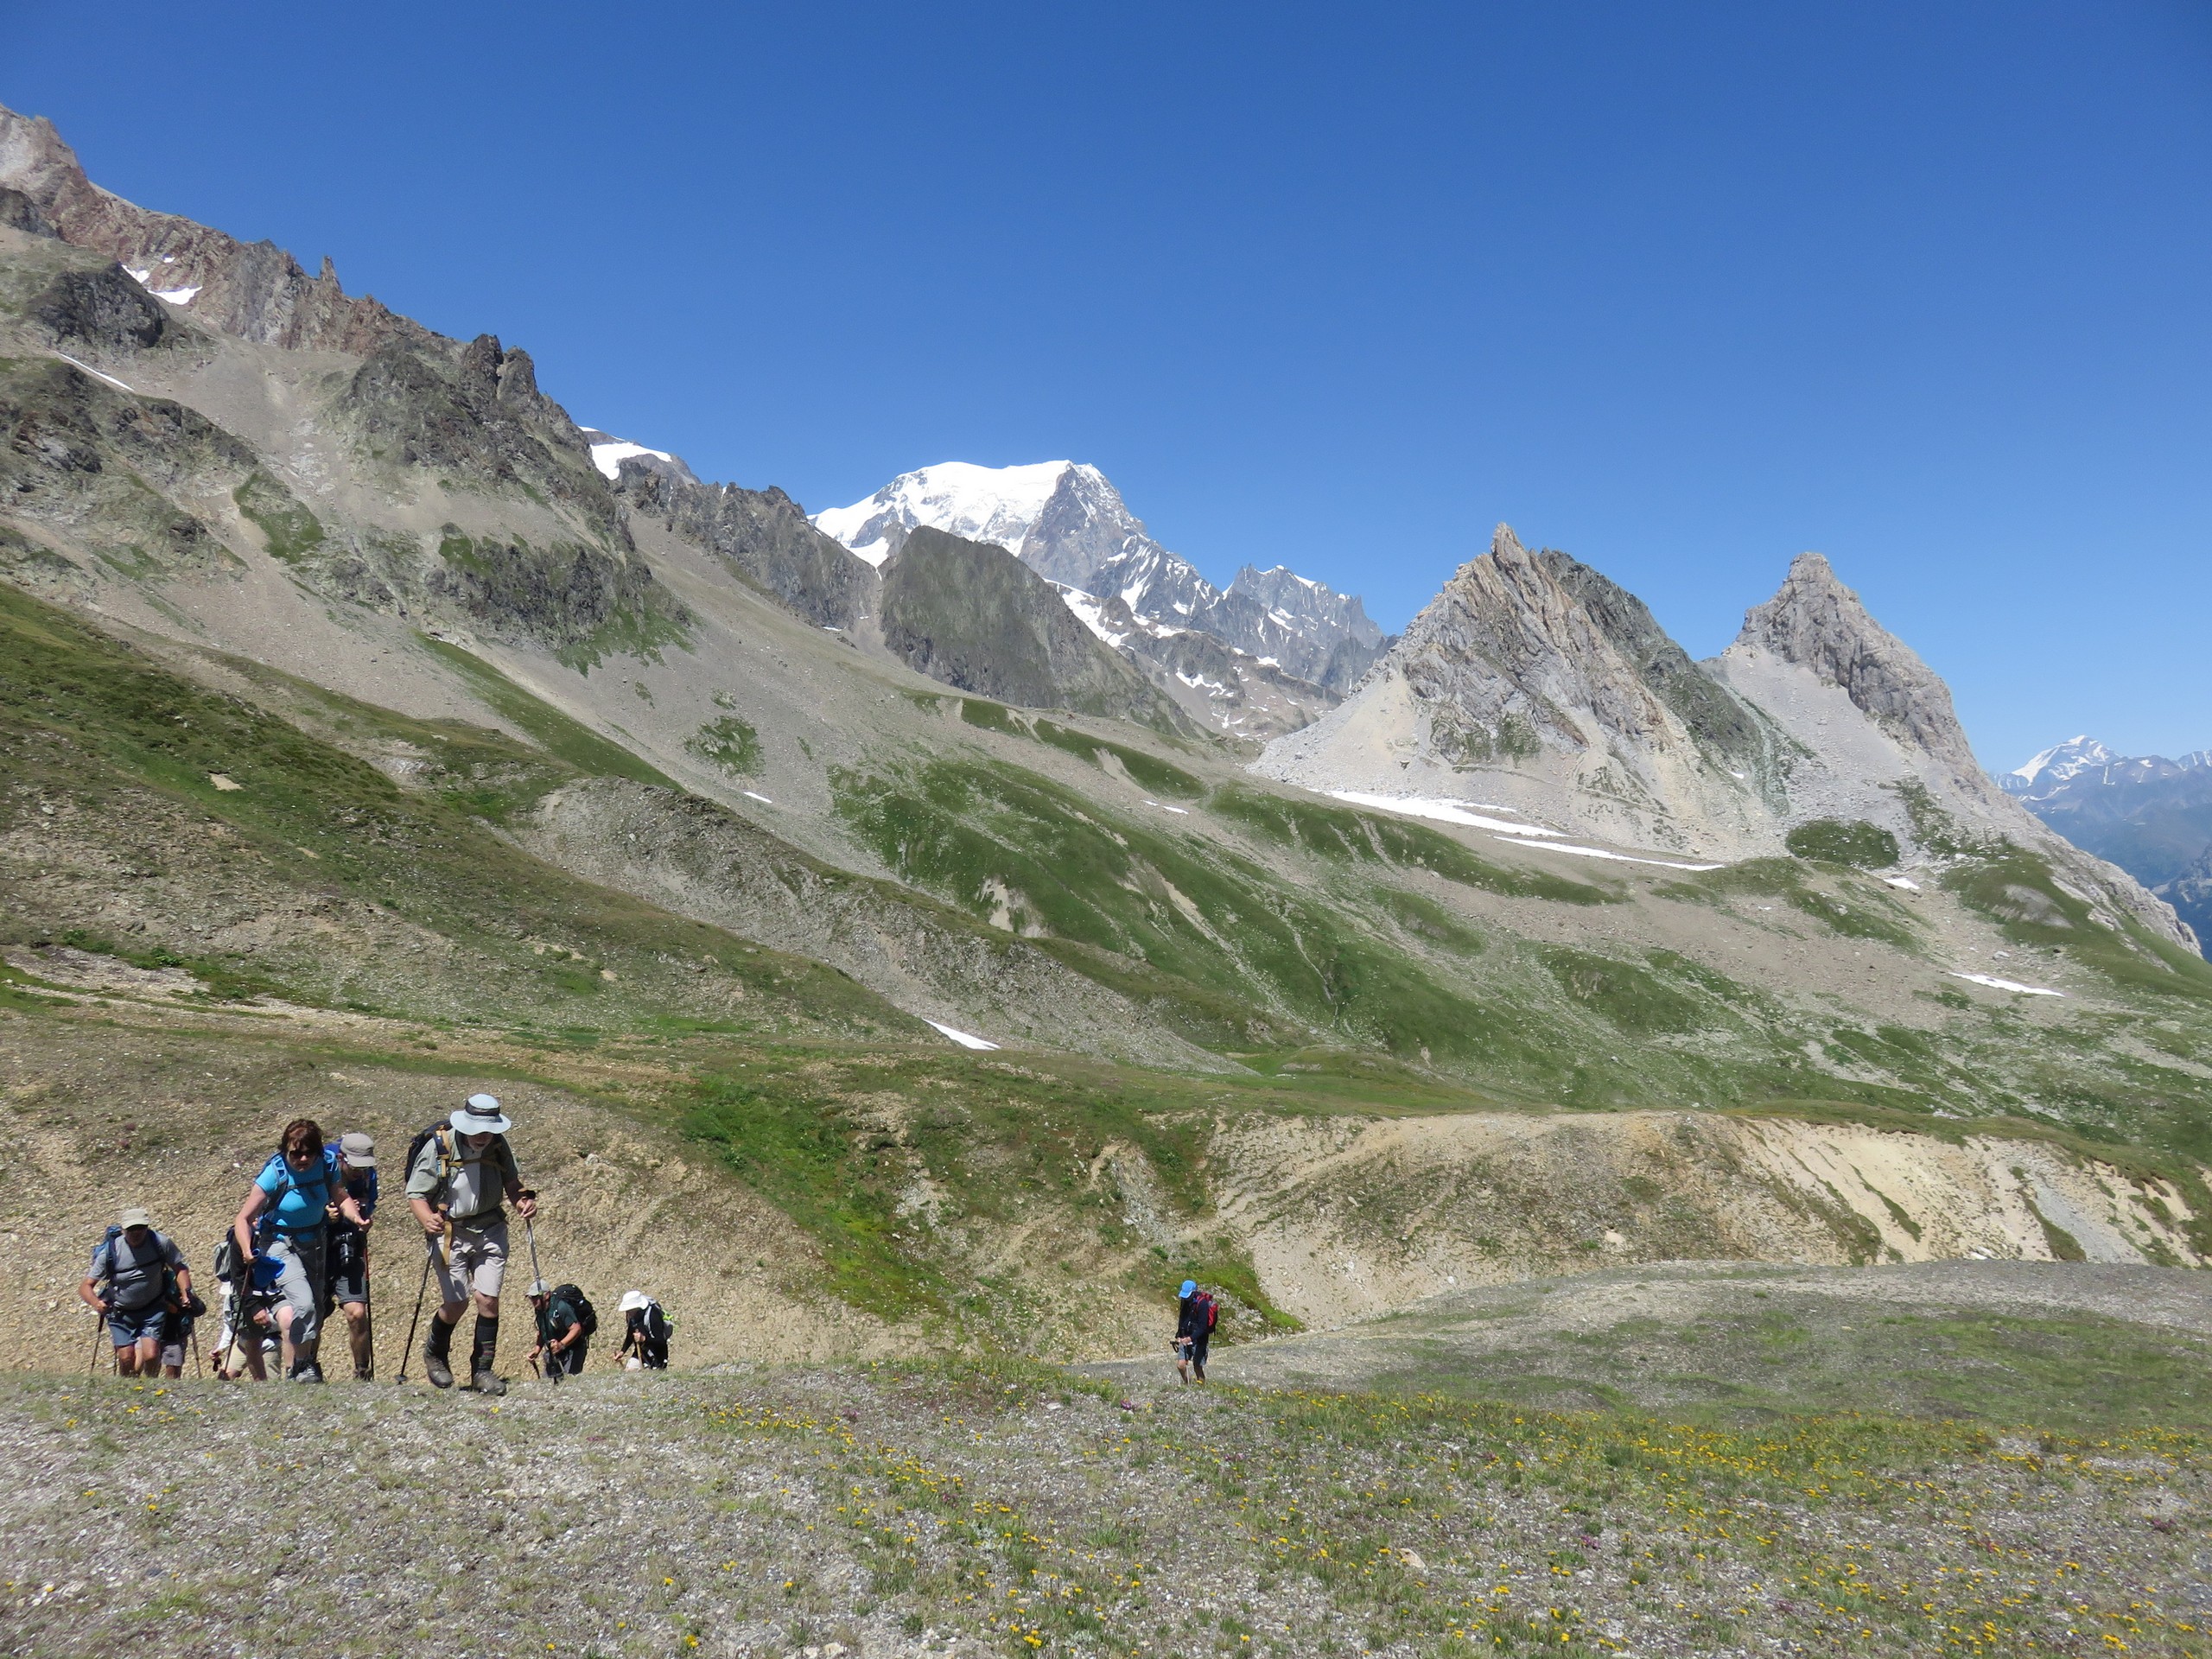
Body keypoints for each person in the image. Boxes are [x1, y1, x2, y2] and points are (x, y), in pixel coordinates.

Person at [406, 1093, 536, 1395]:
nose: (483, 1136)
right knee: (457, 1303)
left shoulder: (499, 1146)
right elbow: (416, 1194)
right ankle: (435, 1354)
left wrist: (522, 1203)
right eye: (478, 1129)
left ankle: (483, 1371)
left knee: (488, 1300)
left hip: (491, 1228)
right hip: (451, 1231)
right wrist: (427, 1219)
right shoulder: (439, 1147)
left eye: (488, 1130)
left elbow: (513, 1184)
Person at [233, 1118, 364, 1382]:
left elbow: (340, 1196)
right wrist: (247, 1249)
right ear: (286, 1151)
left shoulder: (326, 1165)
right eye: (296, 1153)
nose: (303, 1159)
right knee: (303, 1303)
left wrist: (357, 1219)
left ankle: (300, 1368)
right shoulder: (275, 1173)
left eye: (309, 1153)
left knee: (316, 1307)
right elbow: (243, 1219)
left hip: (316, 1242)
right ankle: (300, 1366)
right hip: (279, 1244)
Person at [79, 1207, 191, 1378]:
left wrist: (185, 1293)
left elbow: (180, 1268)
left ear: (147, 1227)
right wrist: (96, 1303)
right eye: (131, 1229)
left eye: (140, 1228)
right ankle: (127, 1386)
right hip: (120, 1312)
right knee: (126, 1357)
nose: (136, 1232)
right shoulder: (110, 1252)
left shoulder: (160, 1243)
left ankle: (152, 1384)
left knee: (151, 1354)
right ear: (123, 1230)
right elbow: (86, 1286)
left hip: (153, 1308)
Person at [325, 1131, 379, 1380]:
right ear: (340, 1158)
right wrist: (326, 1215)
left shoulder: (368, 1175)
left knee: (357, 1313)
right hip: (319, 1246)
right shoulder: (322, 1168)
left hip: (351, 1245)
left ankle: (362, 1371)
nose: (360, 1172)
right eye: (355, 1167)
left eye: (364, 1167)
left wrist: (363, 1213)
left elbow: (371, 1204)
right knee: (315, 1311)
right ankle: (307, 1367)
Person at [524, 1280, 591, 1377]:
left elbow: (576, 1329)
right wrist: (536, 1350)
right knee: (548, 1383)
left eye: (535, 1297)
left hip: (573, 1350)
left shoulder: (561, 1307)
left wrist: (561, 1344)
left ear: (546, 1295)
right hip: (555, 1351)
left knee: (569, 1382)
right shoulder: (539, 1310)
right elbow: (542, 1331)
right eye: (531, 1297)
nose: (533, 1300)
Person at [1173, 1280, 1216, 1384]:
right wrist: (1179, 1335)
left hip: (1199, 1339)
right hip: (1186, 1337)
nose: (1185, 1298)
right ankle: (1188, 1384)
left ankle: (1202, 1388)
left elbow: (1203, 1327)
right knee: (1181, 1365)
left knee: (1197, 1367)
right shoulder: (1184, 1301)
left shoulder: (1203, 1304)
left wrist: (1191, 1338)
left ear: (1193, 1293)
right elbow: (1182, 1318)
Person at [615, 1291, 669, 1370]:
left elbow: (661, 1341)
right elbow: (630, 1334)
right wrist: (622, 1352)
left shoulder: (653, 1315)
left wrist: (643, 1339)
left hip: (657, 1355)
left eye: (629, 1309)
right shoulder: (632, 1317)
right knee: (630, 1372)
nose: (627, 1312)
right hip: (641, 1352)